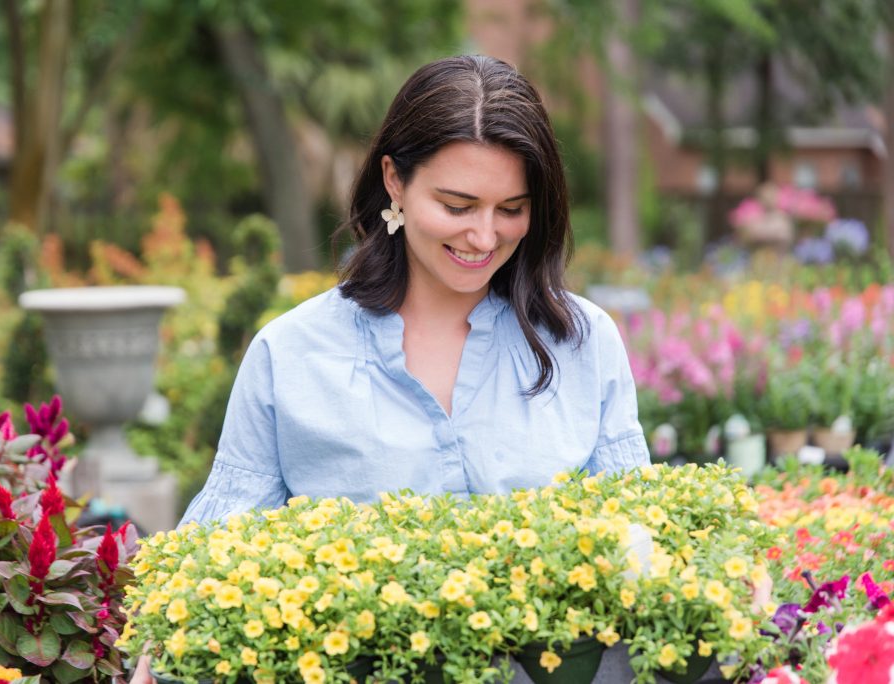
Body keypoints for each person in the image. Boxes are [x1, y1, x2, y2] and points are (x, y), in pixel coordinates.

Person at [129, 54, 650, 683]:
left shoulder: (583, 342)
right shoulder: (291, 354)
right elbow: (208, 563)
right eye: (457, 205)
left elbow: (640, 541)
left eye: (511, 208)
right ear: (395, 182)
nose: (484, 237)